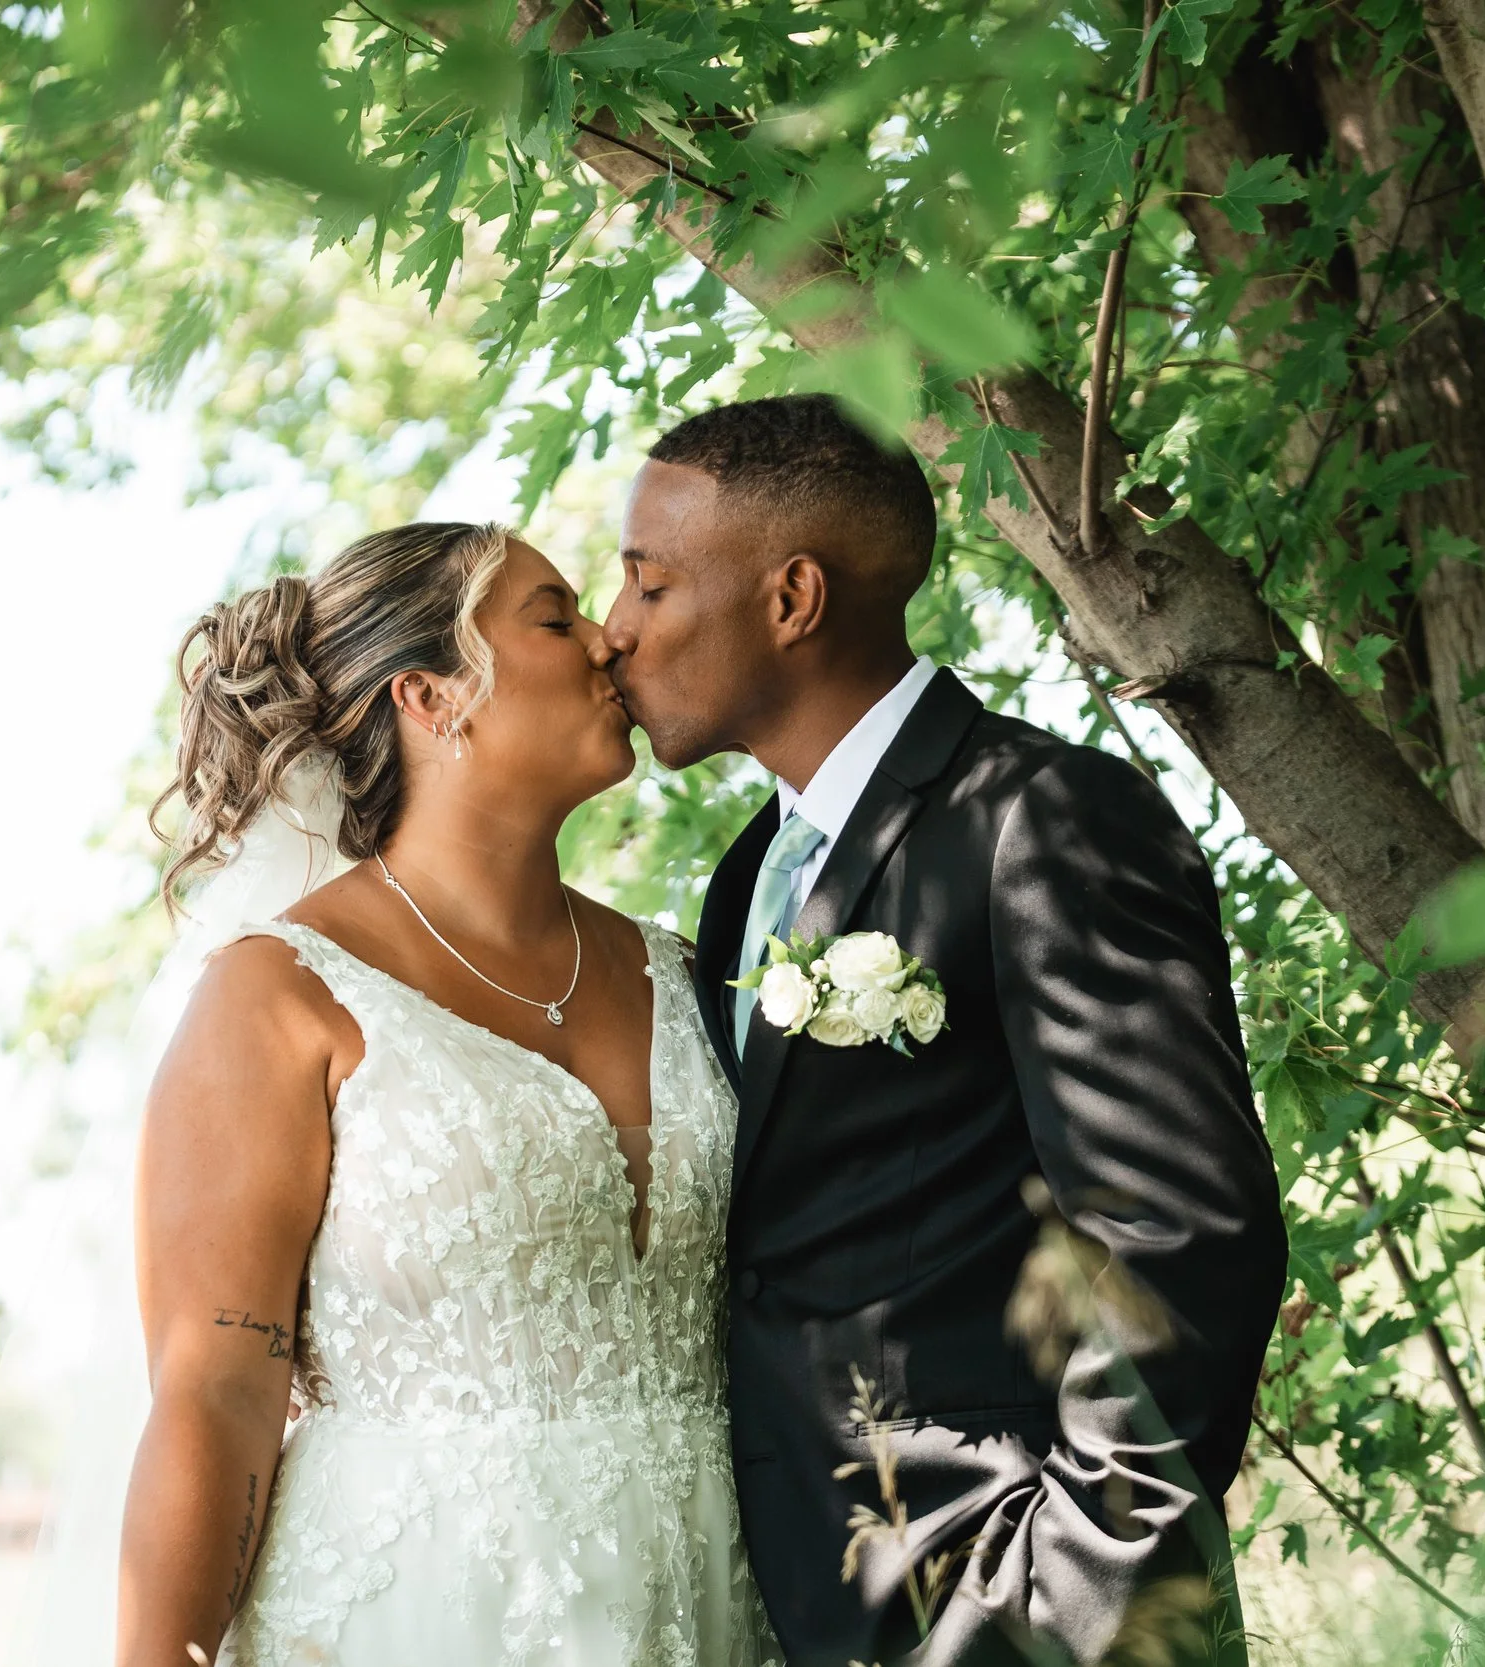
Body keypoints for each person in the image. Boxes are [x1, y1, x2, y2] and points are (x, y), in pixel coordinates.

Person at [602, 395, 1288, 1667]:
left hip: (1025, 1607)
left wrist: (1066, 1594)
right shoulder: (751, 871)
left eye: (647, 584)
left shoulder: (1044, 819)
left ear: (791, 597)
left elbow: (1181, 1241)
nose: (614, 630)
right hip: (813, 1601)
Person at [112, 523, 778, 1667]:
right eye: (553, 616)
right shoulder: (278, 993)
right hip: (415, 1608)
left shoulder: (682, 968)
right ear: (430, 695)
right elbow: (213, 1394)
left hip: (710, 1598)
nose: (607, 643)